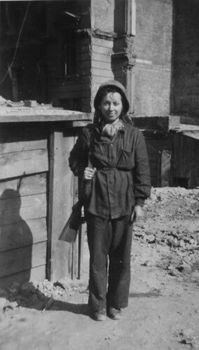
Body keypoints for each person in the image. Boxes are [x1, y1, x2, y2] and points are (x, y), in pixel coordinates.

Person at [69, 80, 151, 321]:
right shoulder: (88, 133)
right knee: (97, 259)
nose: (111, 108)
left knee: (121, 259)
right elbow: (74, 160)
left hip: (125, 204)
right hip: (96, 202)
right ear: (99, 105)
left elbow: (143, 171)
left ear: (123, 106)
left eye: (116, 103)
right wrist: (82, 169)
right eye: (106, 103)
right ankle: (96, 307)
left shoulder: (135, 135)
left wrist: (140, 203)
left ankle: (115, 304)